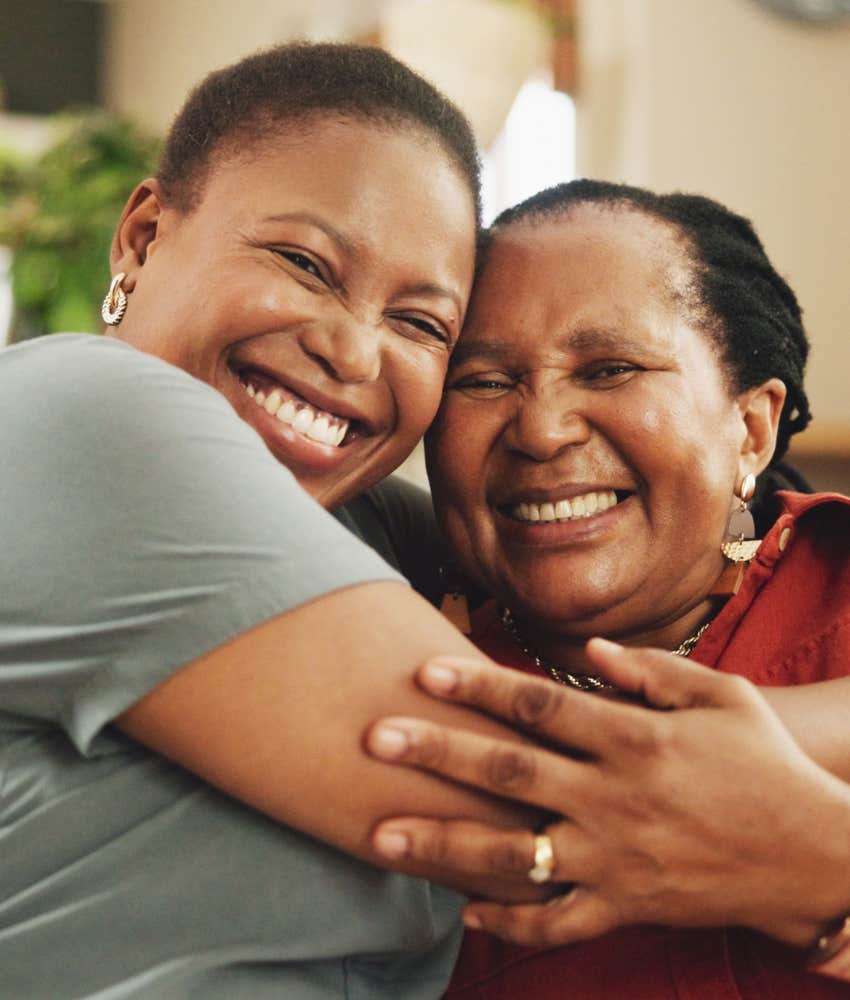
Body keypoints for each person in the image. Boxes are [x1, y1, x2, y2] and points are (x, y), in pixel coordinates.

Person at [0, 42, 556, 1000]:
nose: (352, 352)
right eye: (305, 263)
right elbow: (523, 800)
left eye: (421, 325)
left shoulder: (371, 530)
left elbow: (648, 617)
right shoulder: (78, 414)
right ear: (141, 238)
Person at [362, 180, 850, 997]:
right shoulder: (401, 684)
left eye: (611, 368)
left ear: (752, 428)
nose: (543, 428)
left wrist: (822, 871)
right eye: (482, 381)